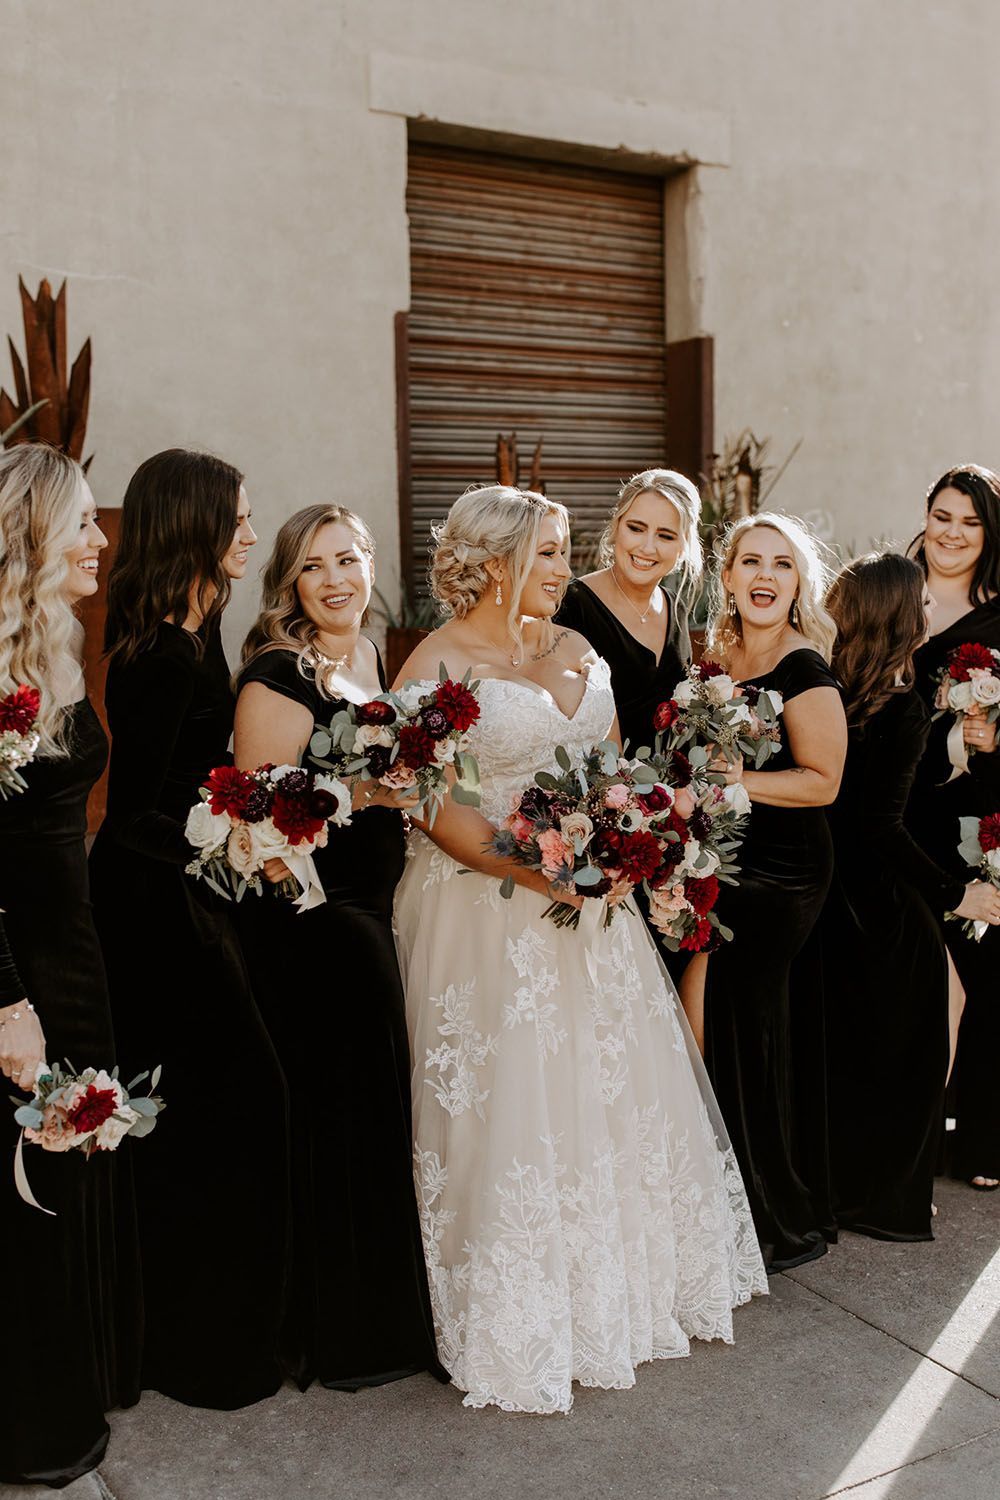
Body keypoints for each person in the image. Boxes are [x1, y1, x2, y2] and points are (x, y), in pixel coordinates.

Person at [393, 484, 767, 1416]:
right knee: (514, 1099)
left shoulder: (578, 646)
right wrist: (538, 871)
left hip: (591, 905)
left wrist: (630, 838)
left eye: (564, 552)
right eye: (550, 555)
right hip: (486, 909)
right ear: (494, 560)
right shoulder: (437, 664)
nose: (567, 571)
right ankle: (522, 1314)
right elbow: (441, 807)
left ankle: (619, 1295)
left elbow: (612, 771)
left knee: (602, 1094)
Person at [89, 449, 288, 1409]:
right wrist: (230, 838)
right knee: (232, 1106)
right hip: (152, 913)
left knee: (215, 1116)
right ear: (197, 526)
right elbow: (132, 816)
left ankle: (210, 1335)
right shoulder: (160, 654)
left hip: (189, 896)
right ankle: (195, 1348)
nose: (252, 533)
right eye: (240, 519)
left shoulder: (201, 630)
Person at [234, 504, 445, 1393]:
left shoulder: (364, 659)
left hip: (373, 902)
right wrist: (375, 792)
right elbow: (259, 821)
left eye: (349, 561)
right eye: (314, 566)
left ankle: (383, 1319)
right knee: (349, 1117)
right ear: (290, 582)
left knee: (374, 1113)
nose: (336, 580)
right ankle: (351, 1337)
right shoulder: (277, 678)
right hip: (319, 922)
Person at [0, 444, 141, 1487]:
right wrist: (6, 1000)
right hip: (15, 967)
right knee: (22, 1187)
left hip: (72, 950)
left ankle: (69, 1394)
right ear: (32, 532)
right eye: (86, 522)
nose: (101, 540)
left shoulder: (51, 644)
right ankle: (30, 1429)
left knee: (71, 1161)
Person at [823, 554, 1000, 1239]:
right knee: (923, 1034)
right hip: (886, 902)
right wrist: (958, 895)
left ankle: (875, 1183)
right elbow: (884, 826)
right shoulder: (901, 707)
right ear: (897, 616)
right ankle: (892, 1192)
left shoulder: (834, 689)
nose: (933, 615)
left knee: (872, 1039)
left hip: (839, 889)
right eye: (922, 605)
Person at [698, 512, 847, 1272]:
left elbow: (824, 781)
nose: (763, 576)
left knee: (742, 1022)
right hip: (723, 861)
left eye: (781, 565)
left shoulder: (803, 668)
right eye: (750, 561)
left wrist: (736, 783)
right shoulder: (718, 657)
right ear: (726, 577)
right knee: (723, 1023)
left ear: (798, 585)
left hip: (781, 873)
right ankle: (739, 1199)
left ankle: (773, 1213)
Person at [906, 464, 1000, 1190]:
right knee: (912, 966)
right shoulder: (893, 595)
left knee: (983, 971)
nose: (952, 532)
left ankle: (982, 1140)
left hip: (980, 805)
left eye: (969, 521)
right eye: (943, 515)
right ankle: (910, 1131)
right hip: (899, 802)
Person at [554, 468, 699, 754]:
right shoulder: (570, 605)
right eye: (636, 528)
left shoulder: (676, 608)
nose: (647, 547)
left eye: (665, 536)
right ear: (616, 526)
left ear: (683, 546)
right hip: (598, 788)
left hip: (674, 792)